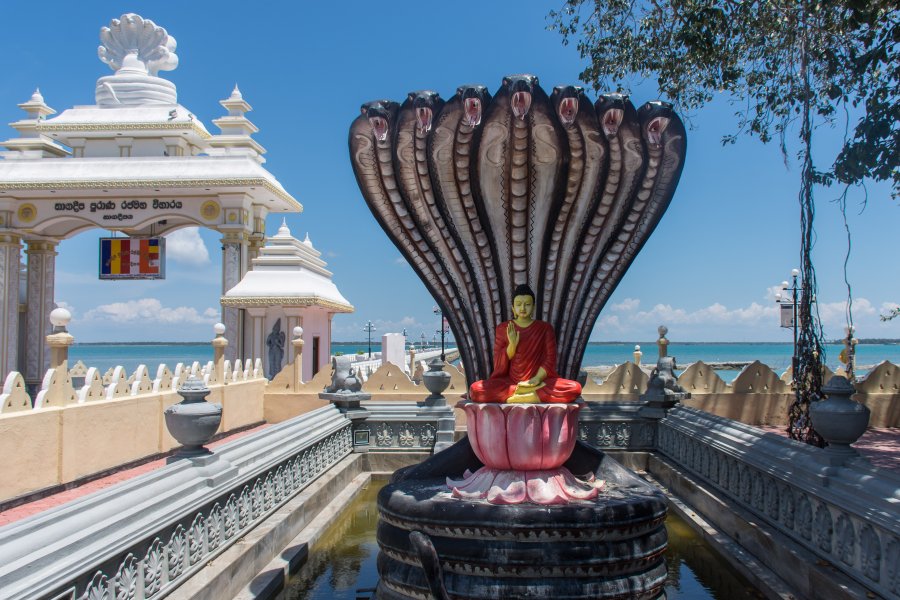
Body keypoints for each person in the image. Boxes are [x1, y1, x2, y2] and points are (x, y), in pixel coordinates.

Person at [469, 284, 582, 403]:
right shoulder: (504, 328)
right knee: (475, 390)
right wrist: (511, 346)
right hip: (510, 382)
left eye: (527, 304)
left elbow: (550, 359)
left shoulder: (545, 328)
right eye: (518, 304)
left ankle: (518, 396)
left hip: (538, 382)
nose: (522, 308)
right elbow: (498, 365)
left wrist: (537, 378)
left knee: (575, 388)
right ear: (513, 308)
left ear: (533, 307)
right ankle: (528, 394)